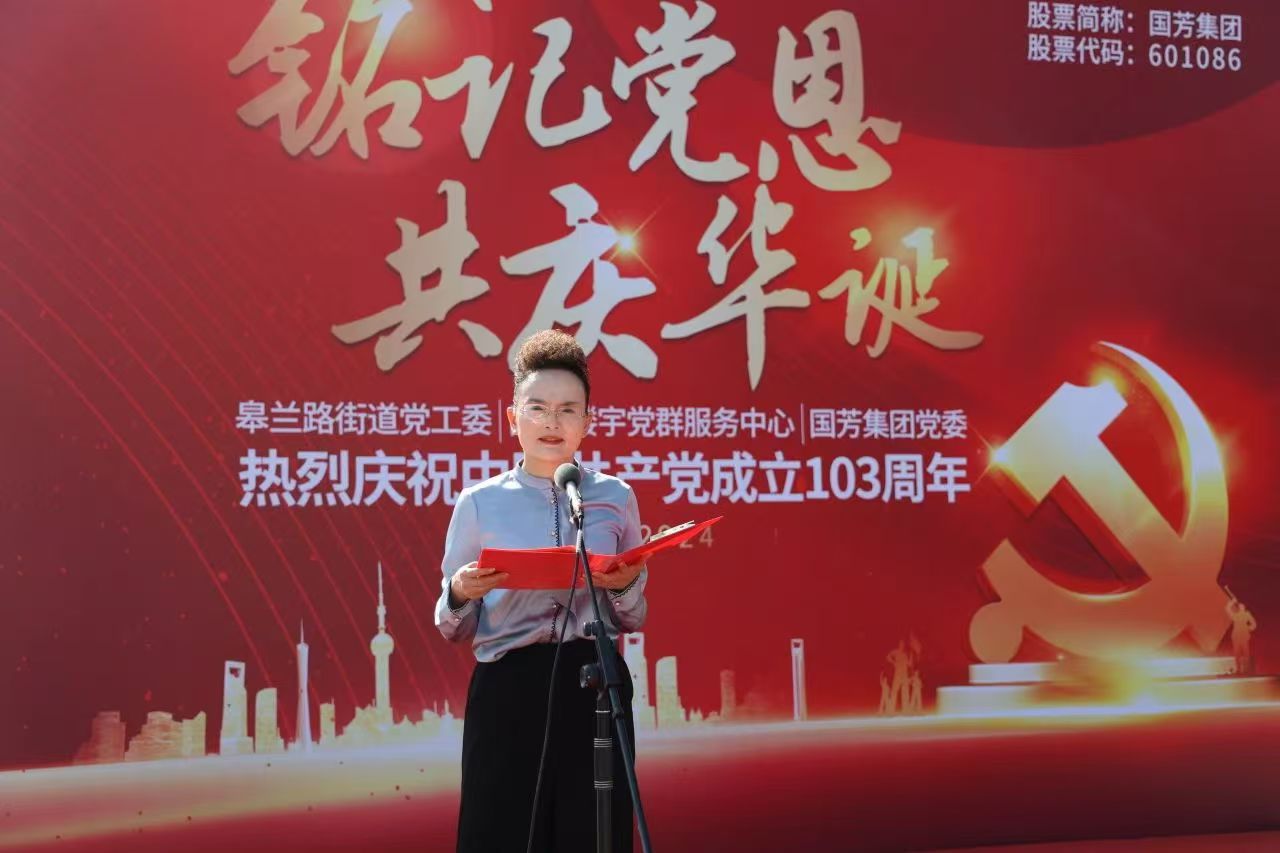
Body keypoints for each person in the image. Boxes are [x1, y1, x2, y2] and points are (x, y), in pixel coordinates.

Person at [435, 329, 648, 853]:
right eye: (538, 408)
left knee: (593, 833)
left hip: (594, 686)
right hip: (509, 689)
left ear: (587, 422)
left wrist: (623, 586)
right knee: (502, 833)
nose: (552, 422)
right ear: (513, 419)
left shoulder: (615, 497)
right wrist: (460, 592)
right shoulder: (479, 502)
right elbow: (453, 626)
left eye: (568, 410)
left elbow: (633, 617)